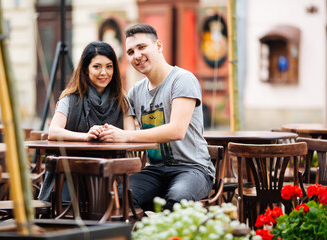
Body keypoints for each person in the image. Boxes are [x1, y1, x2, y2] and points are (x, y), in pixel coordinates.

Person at [98, 24, 215, 210]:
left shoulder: (182, 79)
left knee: (177, 199)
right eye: (130, 51)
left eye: (142, 47)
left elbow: (176, 131)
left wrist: (124, 135)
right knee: (119, 198)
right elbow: (123, 129)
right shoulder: (135, 92)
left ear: (159, 46)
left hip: (193, 168)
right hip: (155, 170)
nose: (136, 55)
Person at [39, 41, 132, 201]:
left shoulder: (122, 100)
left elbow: (131, 135)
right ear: (85, 69)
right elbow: (53, 132)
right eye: (97, 67)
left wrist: (113, 134)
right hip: (73, 172)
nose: (104, 72)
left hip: (112, 177)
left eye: (109, 66)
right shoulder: (69, 98)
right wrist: (85, 136)